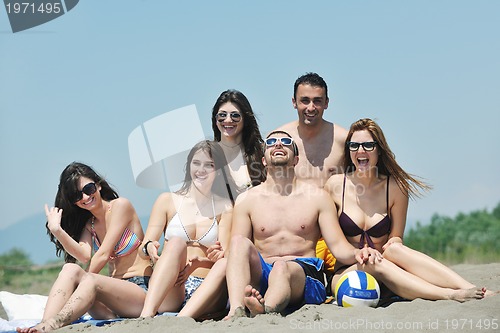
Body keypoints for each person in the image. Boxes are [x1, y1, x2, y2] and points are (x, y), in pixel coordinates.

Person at [324, 118, 489, 302]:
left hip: (387, 275)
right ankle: (449, 294)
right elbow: (337, 246)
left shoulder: (396, 188)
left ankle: (469, 287)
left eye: (368, 145)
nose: (360, 151)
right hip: (347, 275)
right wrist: (359, 253)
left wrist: (393, 242)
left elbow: (396, 236)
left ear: (379, 149)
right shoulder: (335, 185)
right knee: (373, 262)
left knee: (395, 250)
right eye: (354, 145)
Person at [224, 130, 381, 318]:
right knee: (238, 242)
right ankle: (237, 310)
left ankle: (265, 312)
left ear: (296, 159)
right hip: (264, 271)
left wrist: (358, 252)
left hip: (305, 273)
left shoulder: (318, 197)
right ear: (264, 160)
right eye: (272, 142)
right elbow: (237, 252)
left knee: (282, 267)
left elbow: (338, 246)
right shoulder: (246, 199)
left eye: (286, 142)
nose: (278, 144)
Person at [17, 162, 152, 333]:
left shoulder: (120, 206)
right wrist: (57, 230)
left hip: (139, 292)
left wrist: (82, 283)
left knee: (90, 279)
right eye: (76, 195)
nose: (85, 197)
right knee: (70, 268)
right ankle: (44, 325)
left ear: (99, 185)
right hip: (112, 301)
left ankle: (53, 324)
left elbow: (103, 254)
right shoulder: (91, 225)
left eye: (88, 189)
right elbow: (83, 256)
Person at [138, 140, 234, 317]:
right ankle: (146, 317)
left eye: (209, 165)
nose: (201, 170)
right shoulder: (167, 200)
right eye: (196, 163)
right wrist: (149, 247)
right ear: (189, 165)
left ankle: (181, 321)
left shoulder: (225, 207)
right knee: (175, 243)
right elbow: (143, 250)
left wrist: (203, 261)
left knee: (224, 263)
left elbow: (227, 256)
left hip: (207, 289)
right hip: (173, 287)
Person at [277, 72, 348, 188]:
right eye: (305, 100)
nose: (311, 108)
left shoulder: (343, 140)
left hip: (331, 205)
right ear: (294, 102)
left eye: (317, 101)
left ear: (326, 103)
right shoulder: (278, 140)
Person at [211, 89, 266, 200]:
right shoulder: (207, 154)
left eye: (235, 115)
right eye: (222, 115)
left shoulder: (262, 154)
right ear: (215, 119)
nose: (228, 120)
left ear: (245, 120)